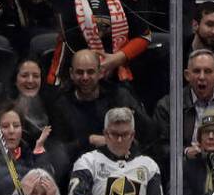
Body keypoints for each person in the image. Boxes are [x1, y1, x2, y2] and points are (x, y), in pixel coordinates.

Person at [46, 49, 154, 185]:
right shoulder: (61, 104)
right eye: (79, 72)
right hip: (79, 172)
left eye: (90, 72)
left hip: (121, 168)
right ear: (71, 74)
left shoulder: (119, 96)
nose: (85, 77)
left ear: (100, 72)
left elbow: (149, 135)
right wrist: (89, 140)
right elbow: (59, 151)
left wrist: (130, 120)